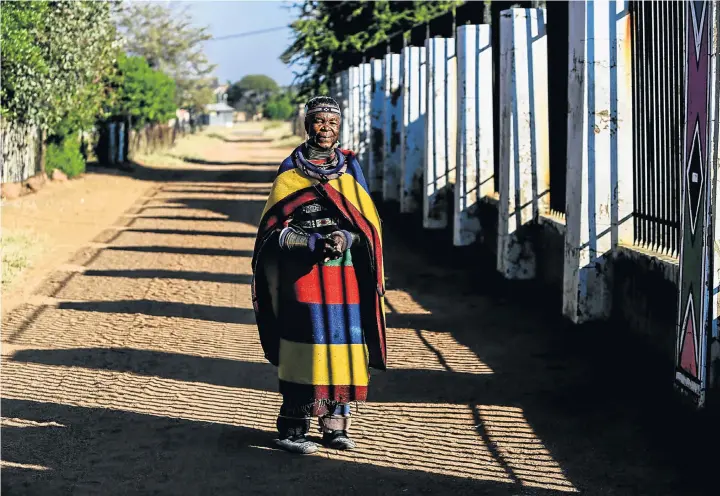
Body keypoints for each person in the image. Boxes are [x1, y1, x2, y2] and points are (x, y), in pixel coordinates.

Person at [251, 96, 387, 454]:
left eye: (332, 123)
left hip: (344, 277)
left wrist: (346, 236)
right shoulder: (290, 171)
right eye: (318, 121)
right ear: (305, 124)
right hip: (303, 276)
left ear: (339, 128)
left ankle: (336, 427)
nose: (325, 129)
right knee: (303, 345)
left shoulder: (351, 169)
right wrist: (308, 242)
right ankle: (293, 429)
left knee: (343, 344)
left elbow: (367, 225)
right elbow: (271, 232)